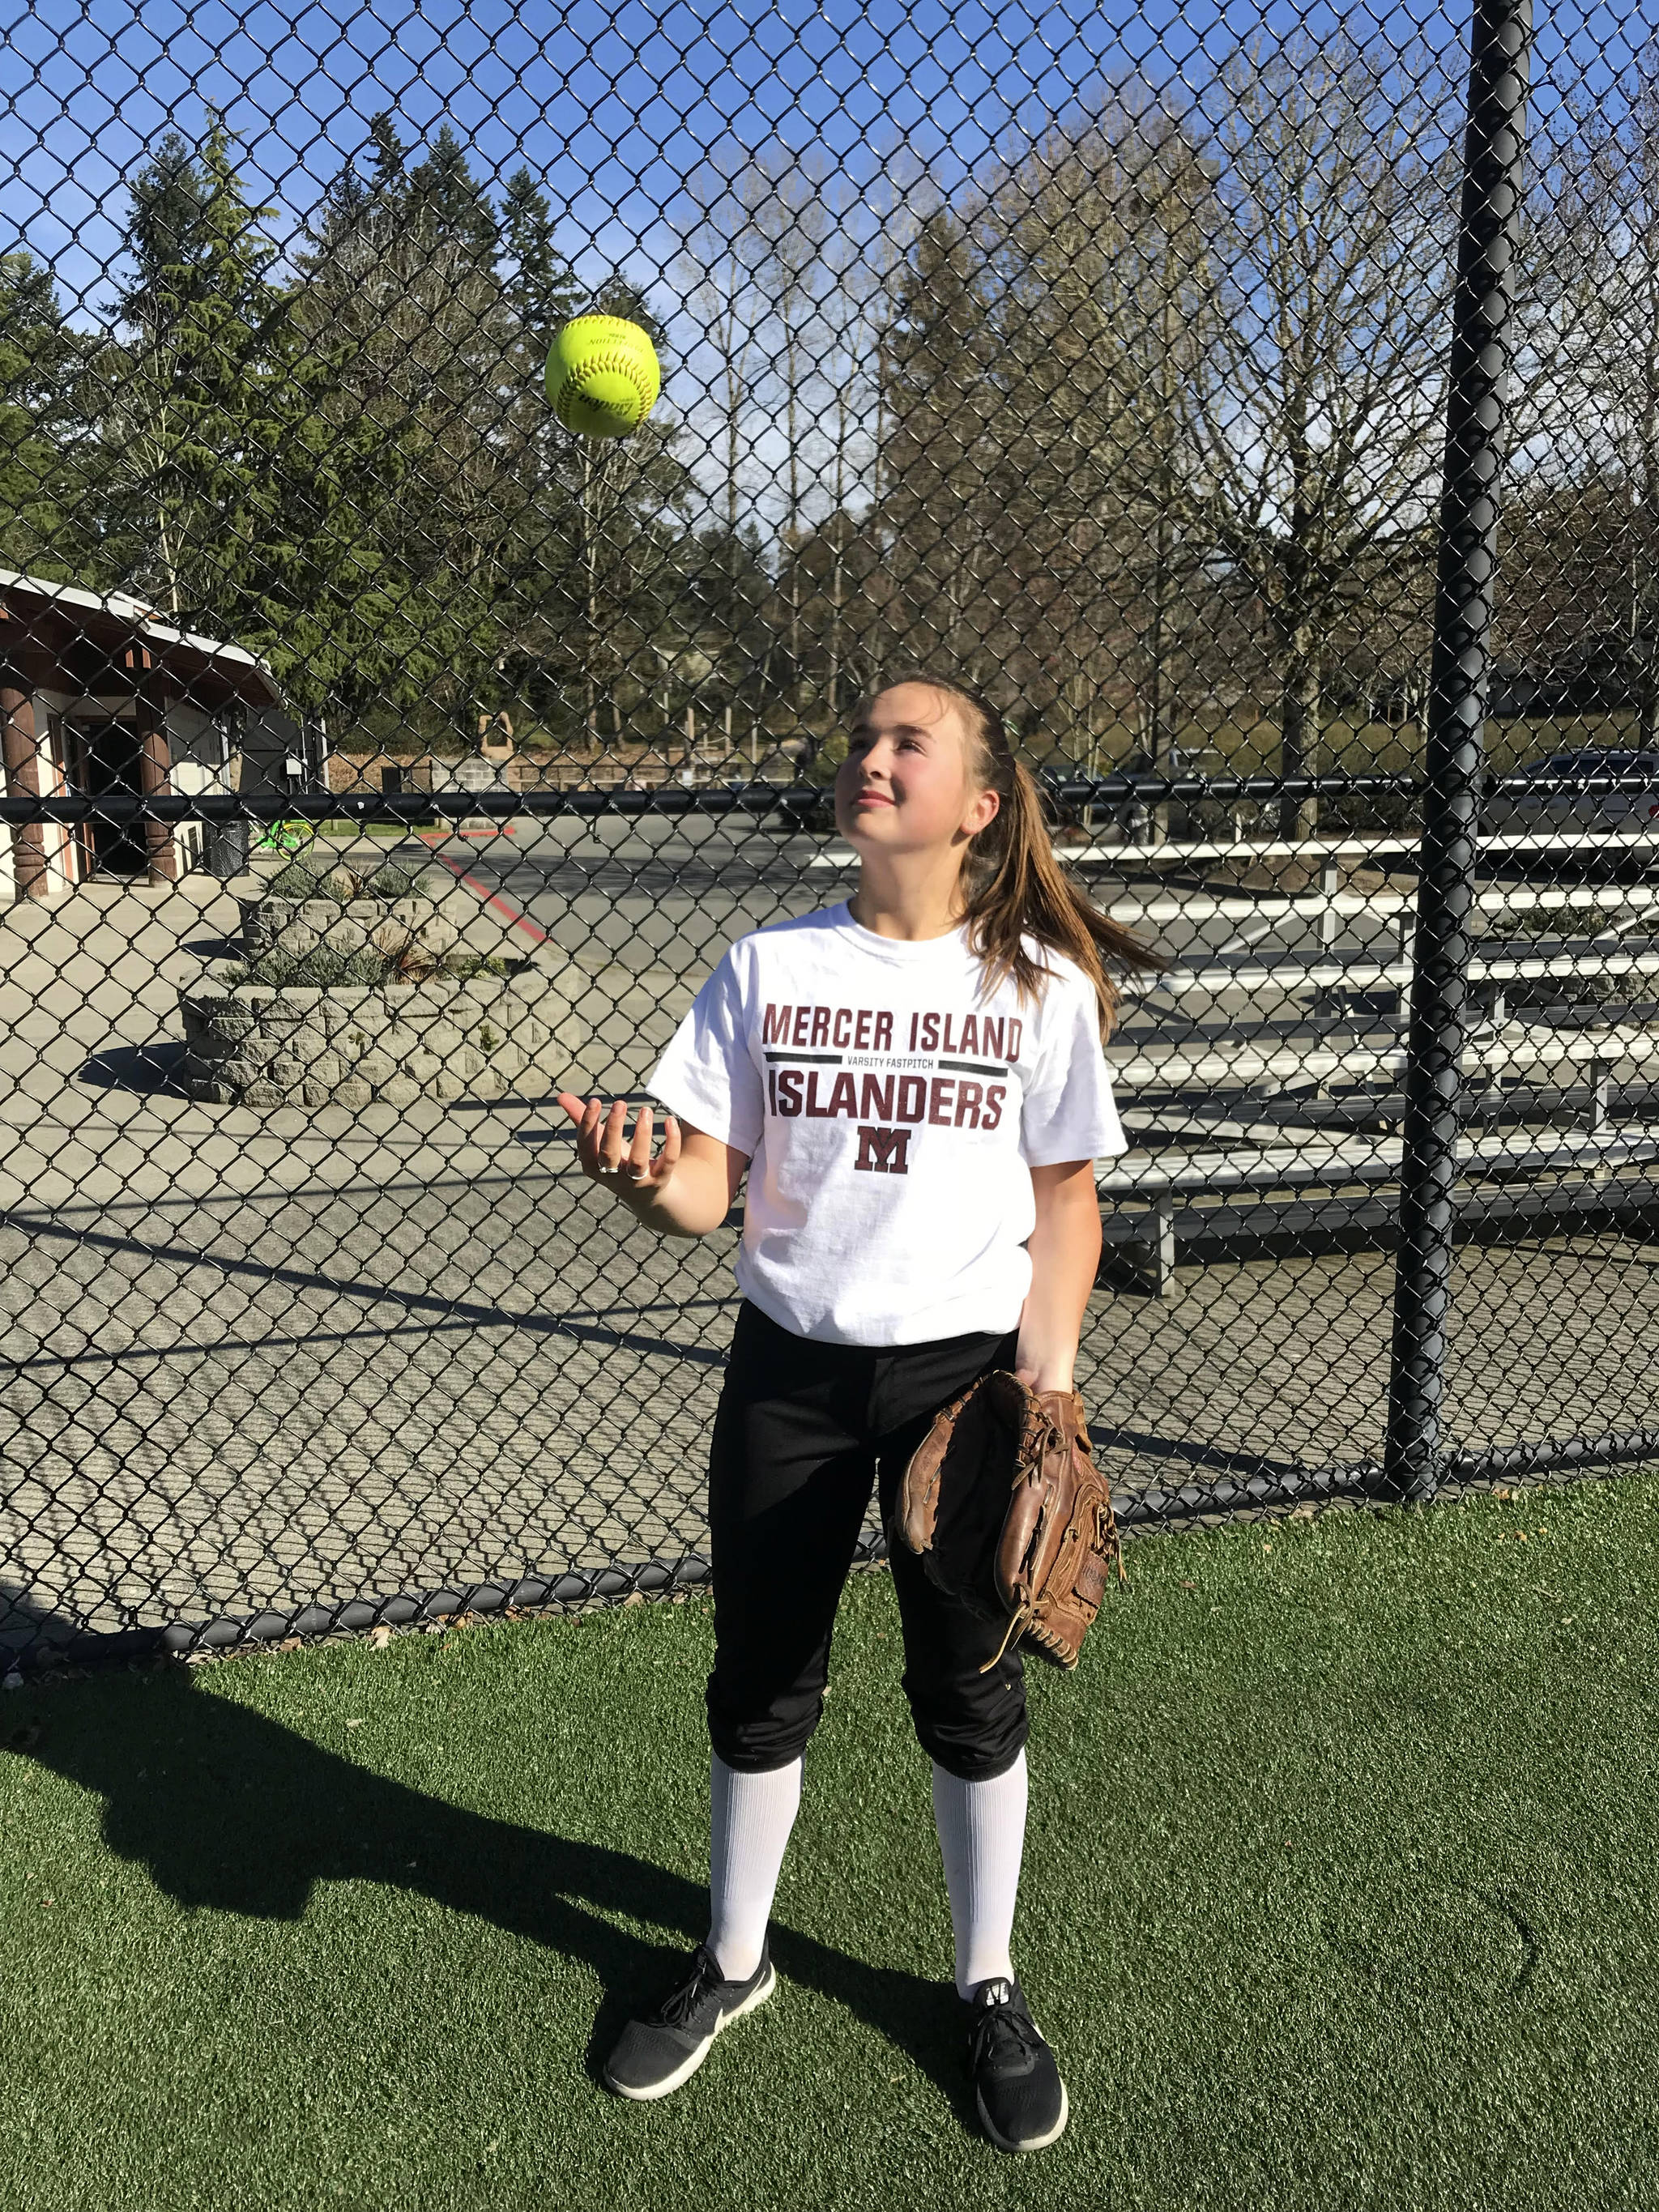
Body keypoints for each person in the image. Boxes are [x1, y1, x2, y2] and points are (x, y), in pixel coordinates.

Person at [554, 672, 1159, 2153]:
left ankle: (987, 1984)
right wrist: (644, 1181)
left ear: (979, 802)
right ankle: (736, 1960)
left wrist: (1051, 1379)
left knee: (966, 1687)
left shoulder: (1038, 986)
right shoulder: (766, 969)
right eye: (863, 742)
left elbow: (1067, 1213)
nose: (874, 761)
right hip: (792, 1372)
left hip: (965, 1384)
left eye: (911, 743)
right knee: (762, 1674)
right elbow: (707, 1188)